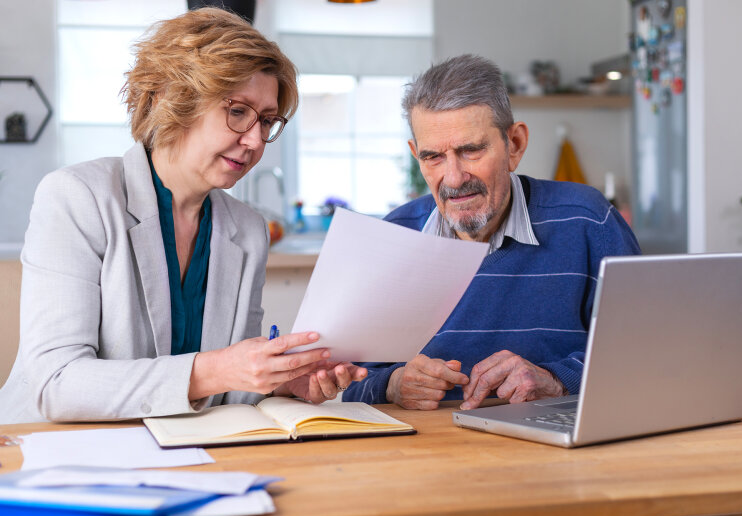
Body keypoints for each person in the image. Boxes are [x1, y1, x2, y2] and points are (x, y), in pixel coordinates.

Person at [0, 7, 365, 424]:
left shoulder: (246, 230)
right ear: (173, 99)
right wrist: (217, 369)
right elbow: (58, 384)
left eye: (266, 121)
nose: (255, 141)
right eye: (239, 111)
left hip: (185, 452)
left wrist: (280, 382)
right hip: (52, 452)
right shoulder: (77, 197)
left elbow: (226, 391)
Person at [342, 54, 641, 411]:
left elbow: (647, 351)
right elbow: (352, 388)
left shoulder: (590, 221)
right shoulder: (394, 236)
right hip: (427, 456)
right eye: (433, 157)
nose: (453, 178)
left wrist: (557, 380)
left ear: (514, 145)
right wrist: (393, 386)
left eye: (470, 151)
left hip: (555, 452)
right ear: (415, 155)